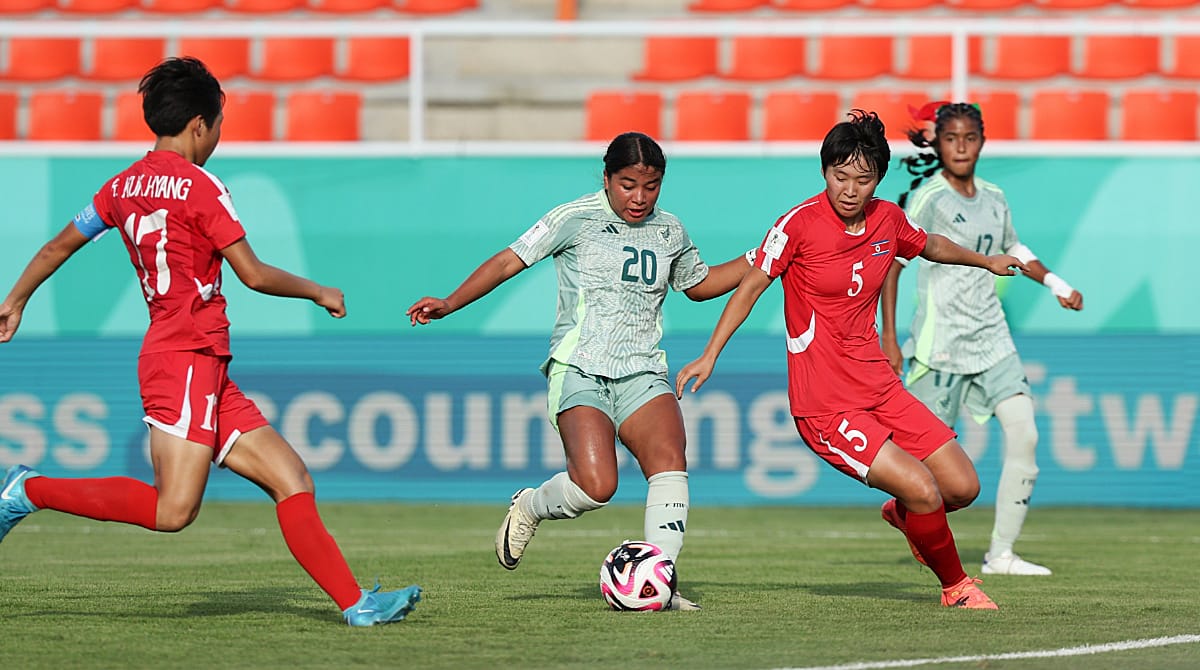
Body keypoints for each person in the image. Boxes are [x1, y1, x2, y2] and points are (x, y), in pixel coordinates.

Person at [0, 57, 420, 626]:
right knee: (173, 510)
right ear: (201, 124)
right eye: (219, 124)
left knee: (291, 478)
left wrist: (17, 299)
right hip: (185, 356)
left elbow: (56, 247)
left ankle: (357, 605)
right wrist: (317, 290)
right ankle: (29, 491)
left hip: (199, 360)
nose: (218, 136)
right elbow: (252, 273)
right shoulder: (202, 187)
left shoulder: (120, 186)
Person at [675, 110, 1028, 609]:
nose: (849, 188)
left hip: (879, 386)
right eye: (840, 176)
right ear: (825, 172)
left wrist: (985, 260)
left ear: (877, 180)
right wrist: (710, 355)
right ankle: (957, 587)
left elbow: (929, 244)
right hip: (826, 404)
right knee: (924, 490)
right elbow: (751, 286)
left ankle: (905, 517)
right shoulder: (797, 225)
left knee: (962, 487)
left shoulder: (887, 218)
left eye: (862, 179)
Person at [406, 131, 751, 611]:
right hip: (580, 368)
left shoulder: (670, 229)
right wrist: (450, 303)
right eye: (628, 184)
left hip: (642, 371)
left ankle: (660, 582)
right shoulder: (575, 218)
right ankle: (529, 505)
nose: (639, 197)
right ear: (607, 178)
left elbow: (699, 284)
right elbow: (510, 260)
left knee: (670, 459)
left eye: (650, 186)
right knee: (597, 487)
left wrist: (763, 258)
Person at [881, 102, 1083, 577]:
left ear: (982, 141)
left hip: (992, 339)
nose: (961, 147)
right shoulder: (928, 199)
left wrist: (1057, 285)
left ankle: (1002, 554)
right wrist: (889, 337)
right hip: (940, 346)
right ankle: (904, 512)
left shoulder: (995, 197)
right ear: (937, 142)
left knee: (1026, 432)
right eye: (951, 138)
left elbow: (1015, 248)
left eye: (969, 138)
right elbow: (893, 264)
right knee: (927, 473)